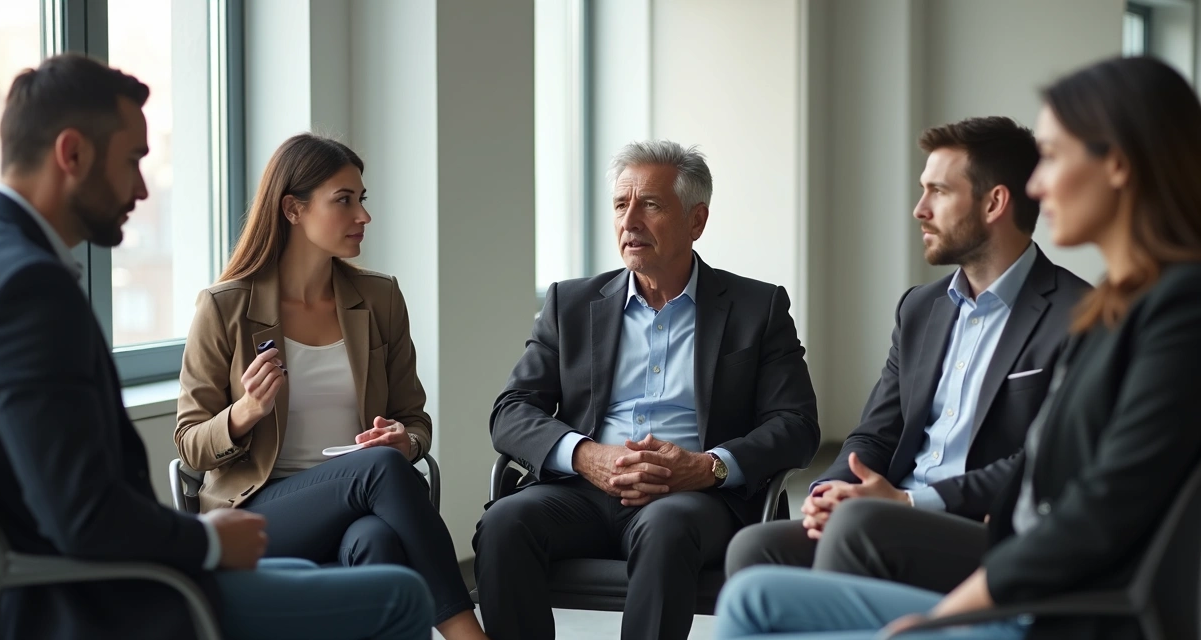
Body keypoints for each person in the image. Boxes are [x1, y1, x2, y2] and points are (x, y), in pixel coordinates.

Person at [715, 55, 1201, 640]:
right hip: (1009, 562)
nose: (1037, 185)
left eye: (1051, 156)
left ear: (1117, 163)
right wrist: (834, 489)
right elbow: (883, 432)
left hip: (1052, 605)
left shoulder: (1167, 313)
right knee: (751, 591)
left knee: (824, 557)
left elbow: (1095, 509)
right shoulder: (1118, 308)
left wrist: (944, 610)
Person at [0, 53, 432, 640]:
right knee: (401, 597)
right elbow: (82, 512)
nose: (143, 188)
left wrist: (406, 437)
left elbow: (64, 491)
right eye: (133, 161)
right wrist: (206, 537)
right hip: (93, 598)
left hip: (96, 571)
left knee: (365, 544)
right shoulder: (30, 286)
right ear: (72, 154)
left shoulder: (5, 261)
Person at [725, 117, 1091, 594]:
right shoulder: (921, 308)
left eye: (938, 191)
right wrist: (828, 491)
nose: (920, 210)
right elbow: (877, 433)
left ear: (995, 202)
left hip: (989, 530)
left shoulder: (1078, 315)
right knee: (754, 549)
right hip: (888, 512)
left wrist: (912, 504)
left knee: (860, 531)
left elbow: (1041, 462)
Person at [472, 140, 821, 640]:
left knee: (667, 530)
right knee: (506, 524)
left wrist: (707, 466)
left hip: (692, 495)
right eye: (620, 205)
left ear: (696, 221)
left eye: (650, 205)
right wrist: (586, 455)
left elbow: (797, 426)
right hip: (582, 490)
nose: (629, 220)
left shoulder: (755, 307)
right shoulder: (570, 304)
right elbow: (511, 410)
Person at [174, 133, 485, 639]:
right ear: (292, 209)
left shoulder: (378, 298)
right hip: (261, 510)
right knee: (381, 469)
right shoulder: (224, 307)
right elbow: (189, 442)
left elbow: (415, 417)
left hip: (365, 501)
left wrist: (407, 441)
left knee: (378, 542)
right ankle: (468, 635)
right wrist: (245, 411)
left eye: (362, 199)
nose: (362, 215)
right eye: (344, 200)